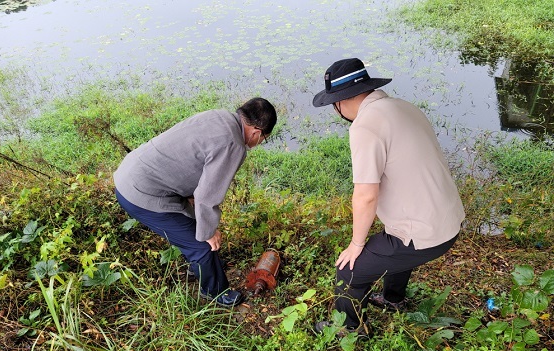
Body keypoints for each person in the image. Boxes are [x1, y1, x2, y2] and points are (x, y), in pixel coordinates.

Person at [311, 58, 465, 335]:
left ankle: (349, 329)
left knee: (349, 272)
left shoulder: (365, 126)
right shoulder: (405, 107)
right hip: (450, 220)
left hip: (424, 233)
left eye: (334, 103)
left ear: (341, 100)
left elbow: (366, 195)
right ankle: (393, 299)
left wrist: (356, 244)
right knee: (391, 239)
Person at [113, 97, 277, 307]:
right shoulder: (234, 144)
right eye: (264, 138)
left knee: (195, 226)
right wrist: (209, 233)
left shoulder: (220, 116)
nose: (260, 142)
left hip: (131, 172)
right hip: (142, 193)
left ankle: (200, 267)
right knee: (202, 245)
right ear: (257, 131)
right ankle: (215, 292)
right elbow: (207, 196)